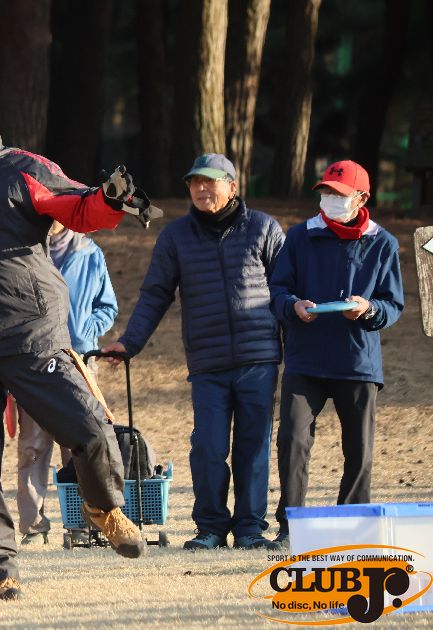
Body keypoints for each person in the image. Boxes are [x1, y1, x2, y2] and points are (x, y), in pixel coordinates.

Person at [0, 75, 160, 601]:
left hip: (29, 334)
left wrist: (112, 200)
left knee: (91, 430)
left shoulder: (24, 168)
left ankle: (104, 508)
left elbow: (81, 210)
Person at [101, 153, 284, 551]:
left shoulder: (264, 228)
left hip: (258, 358)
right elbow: (155, 294)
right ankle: (210, 527)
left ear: (232, 186)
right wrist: (129, 343)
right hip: (207, 362)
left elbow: (286, 289)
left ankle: (250, 529)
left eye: (210, 181)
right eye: (194, 183)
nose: (201, 189)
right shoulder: (176, 237)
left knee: (253, 447)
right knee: (208, 447)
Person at [269, 160, 404, 547]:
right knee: (292, 440)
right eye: (326, 191)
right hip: (305, 359)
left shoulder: (384, 243)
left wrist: (369, 309)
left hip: (357, 362)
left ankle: (353, 528)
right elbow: (278, 290)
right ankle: (291, 526)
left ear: (361, 198)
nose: (330, 198)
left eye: (339, 194)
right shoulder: (300, 236)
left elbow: (392, 304)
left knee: (359, 448)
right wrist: (292, 305)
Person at [16, 221, 118, 546]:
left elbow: (108, 306)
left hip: (79, 361)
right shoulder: (22, 250)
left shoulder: (90, 252)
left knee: (81, 444)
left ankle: (82, 524)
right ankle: (33, 527)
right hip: (33, 360)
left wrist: (87, 330)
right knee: (32, 447)